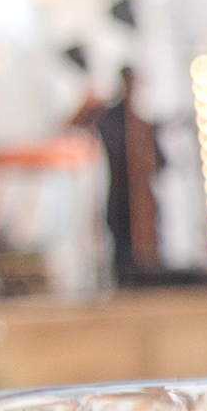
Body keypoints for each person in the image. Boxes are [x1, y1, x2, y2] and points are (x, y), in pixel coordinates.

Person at [87, 66, 162, 281]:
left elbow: (159, 163)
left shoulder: (141, 123)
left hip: (142, 198)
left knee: (146, 253)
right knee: (123, 250)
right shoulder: (111, 118)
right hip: (120, 197)